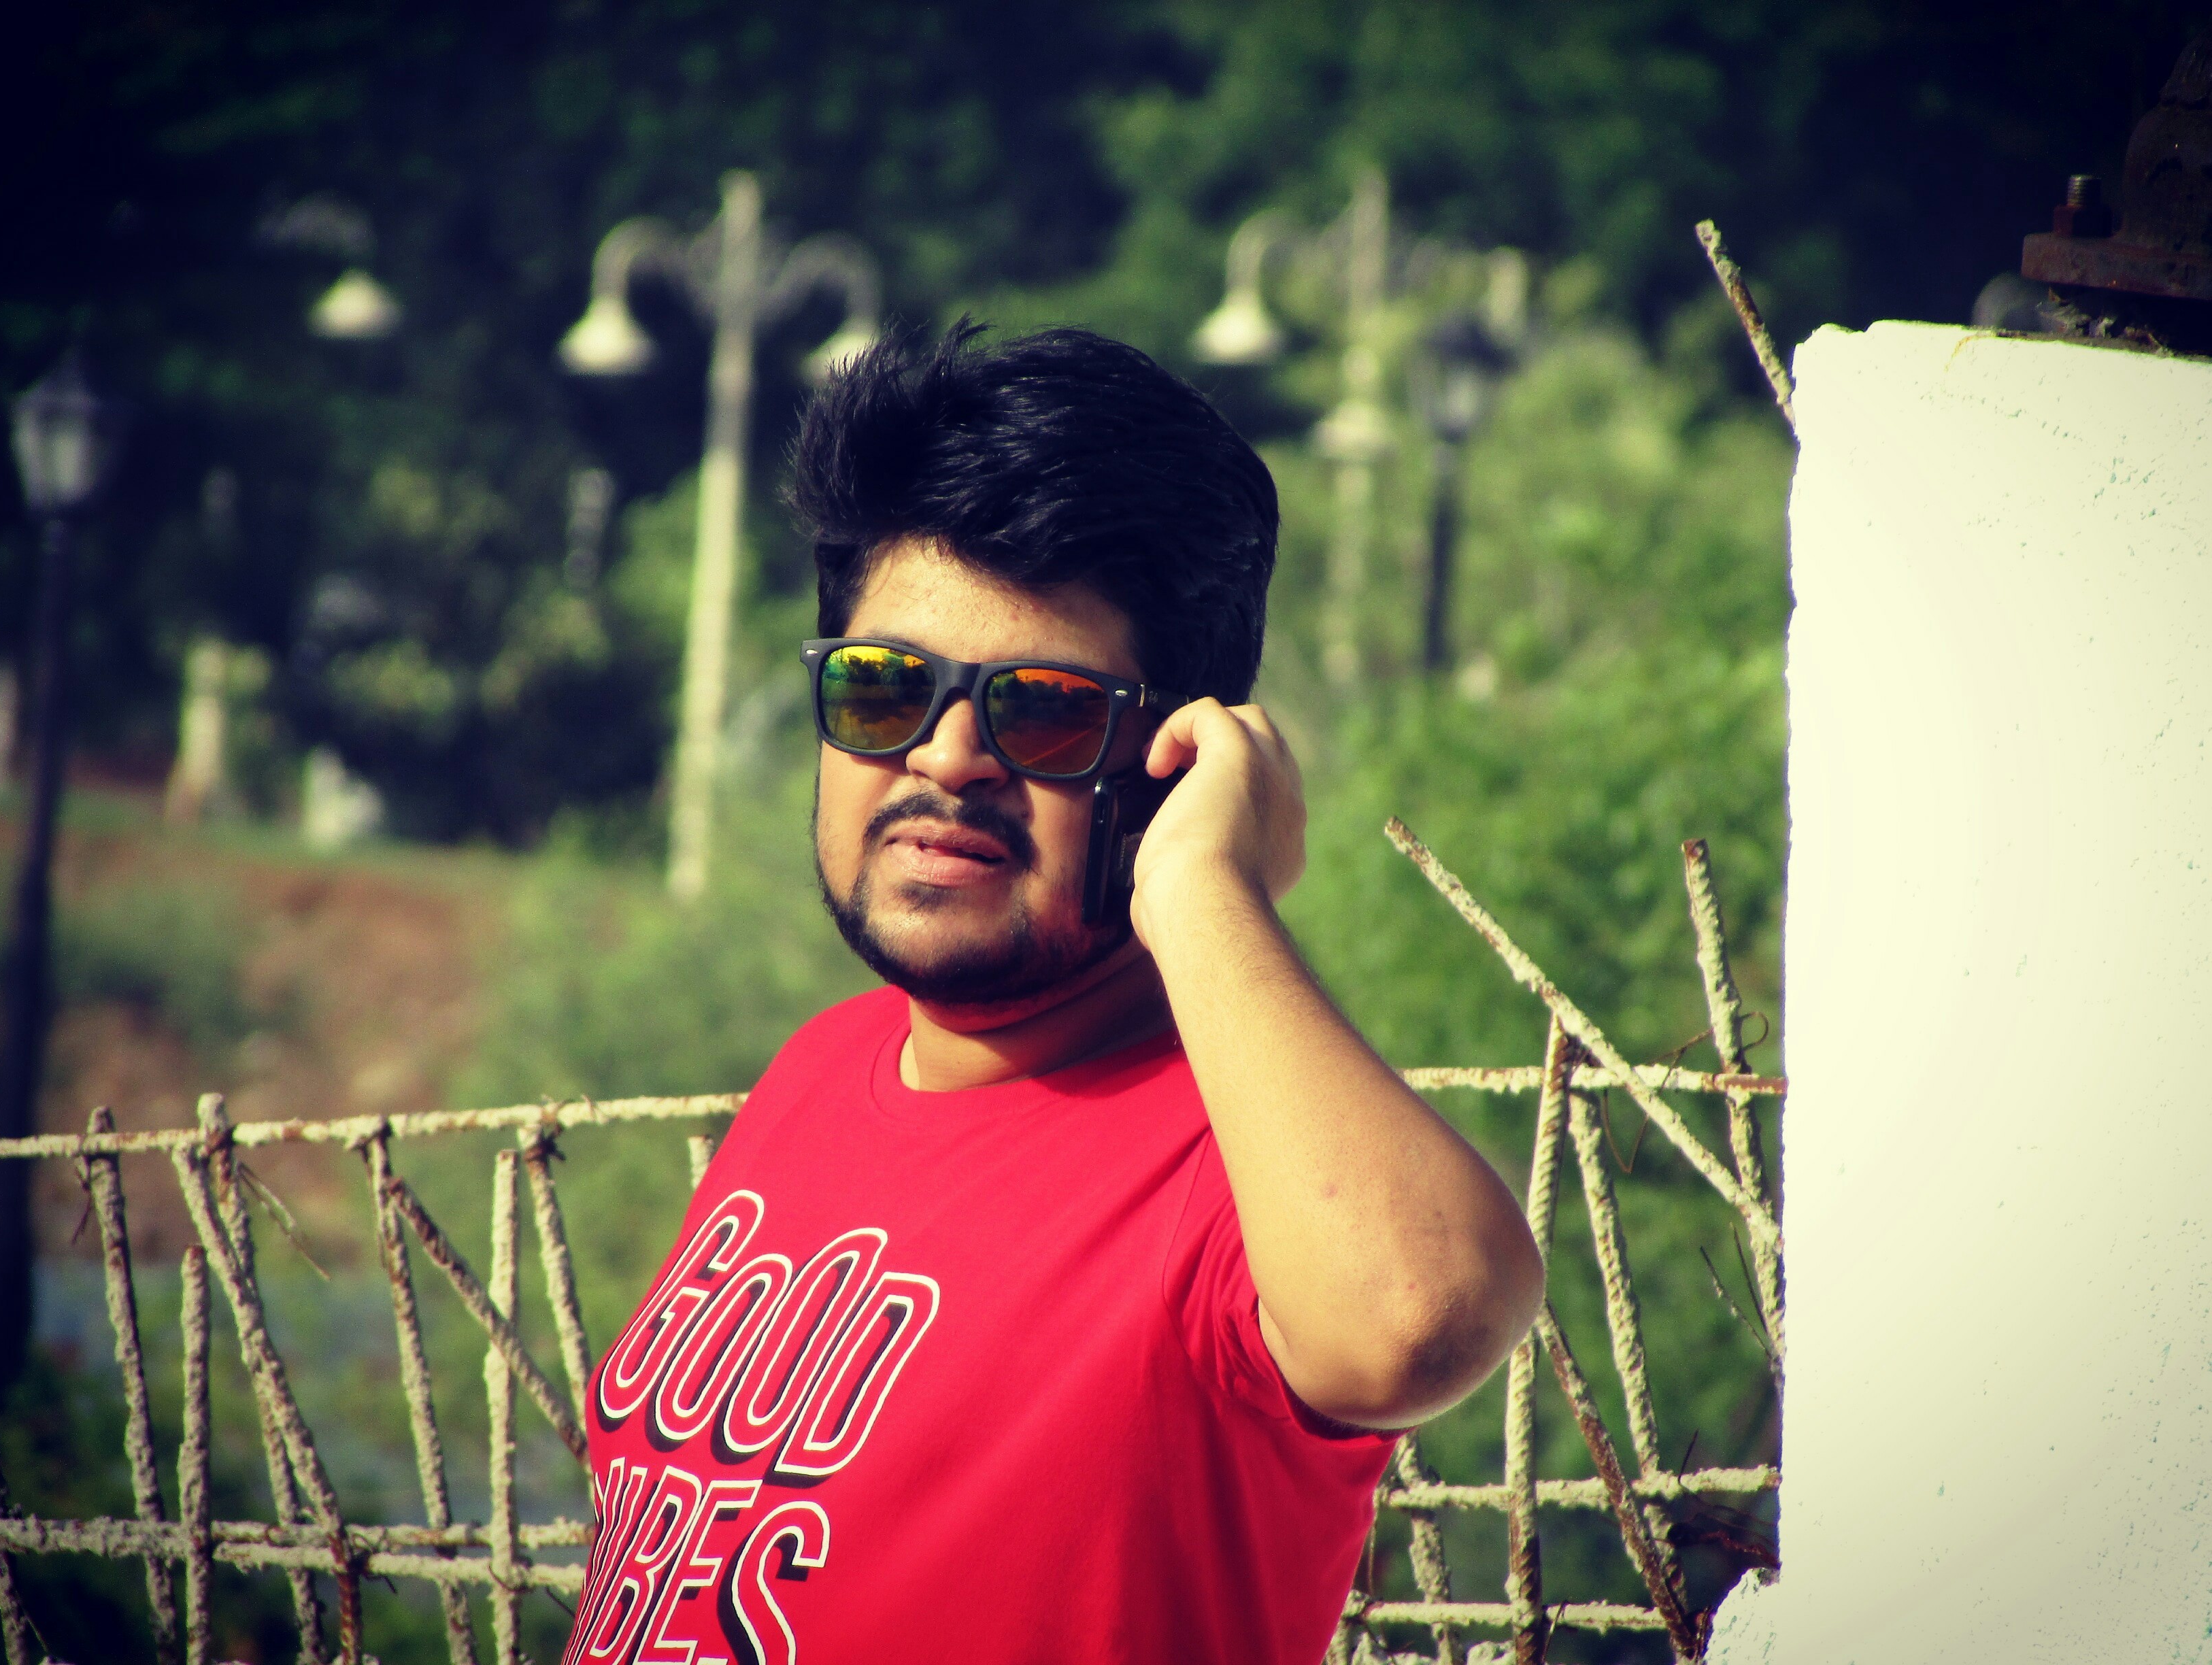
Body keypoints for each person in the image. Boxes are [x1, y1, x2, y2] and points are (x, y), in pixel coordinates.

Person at [563, 324, 1545, 1665]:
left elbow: (1420, 1317)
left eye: (1044, 712)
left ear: (1173, 761)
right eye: (883, 687)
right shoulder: (821, 1068)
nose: (948, 757)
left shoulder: (1233, 1159)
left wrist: (1204, 890)